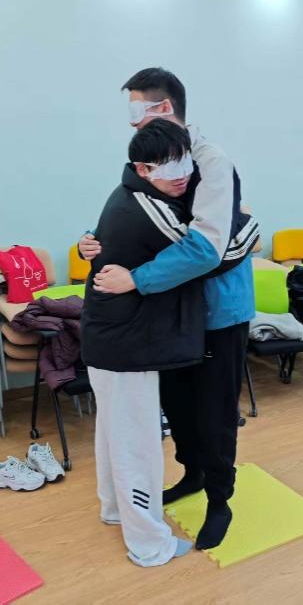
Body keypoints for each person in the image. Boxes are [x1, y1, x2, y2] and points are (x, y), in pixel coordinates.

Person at [80, 68, 256, 551]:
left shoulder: (211, 162)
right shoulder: (155, 154)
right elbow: (139, 211)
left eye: (137, 109)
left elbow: (208, 248)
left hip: (218, 311)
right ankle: (192, 473)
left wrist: (136, 278)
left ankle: (219, 499)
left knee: (214, 411)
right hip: (171, 312)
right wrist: (93, 242)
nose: (132, 122)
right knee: (178, 404)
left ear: (163, 108)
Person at [82, 119, 207, 567]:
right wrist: (244, 221)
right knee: (137, 444)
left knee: (114, 434)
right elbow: (208, 250)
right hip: (126, 344)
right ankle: (150, 544)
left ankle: (115, 510)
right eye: (170, 167)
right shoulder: (147, 207)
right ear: (143, 168)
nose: (183, 175)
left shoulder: (128, 193)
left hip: (111, 338)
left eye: (186, 163)